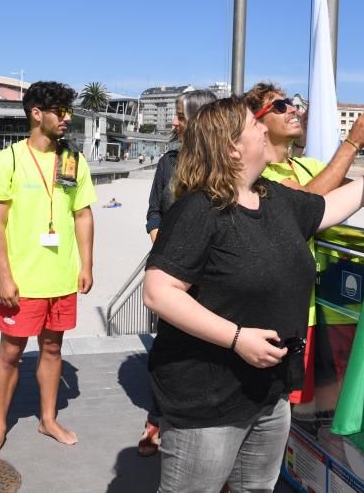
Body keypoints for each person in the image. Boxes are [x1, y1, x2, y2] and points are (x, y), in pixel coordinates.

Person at [142, 96, 364, 492]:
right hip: (208, 400)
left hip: (270, 390)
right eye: (253, 125)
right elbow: (159, 292)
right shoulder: (198, 209)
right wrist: (237, 338)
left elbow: (329, 207)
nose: (263, 128)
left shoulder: (275, 197)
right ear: (231, 147)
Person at [244, 82, 364, 430]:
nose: (293, 109)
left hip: (315, 306)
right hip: (282, 312)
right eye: (280, 106)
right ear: (258, 122)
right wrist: (354, 141)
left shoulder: (305, 166)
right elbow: (305, 206)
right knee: (279, 410)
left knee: (312, 410)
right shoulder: (259, 174)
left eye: (292, 104)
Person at [0, 81, 97, 463]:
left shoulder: (72, 161)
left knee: (52, 347)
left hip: (61, 277)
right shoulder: (7, 160)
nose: (66, 118)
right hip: (22, 280)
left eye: (67, 111)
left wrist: (87, 264)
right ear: (36, 114)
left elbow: (83, 213)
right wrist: (4, 277)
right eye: (59, 111)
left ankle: (48, 419)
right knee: (10, 353)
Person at [139, 88, 217, 457]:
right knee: (167, 349)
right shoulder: (168, 161)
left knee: (209, 352)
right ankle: (156, 419)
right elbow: (155, 211)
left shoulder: (225, 166)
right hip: (172, 273)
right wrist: (163, 244)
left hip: (214, 278)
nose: (173, 122)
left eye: (180, 116)